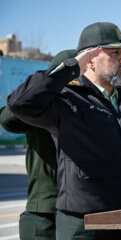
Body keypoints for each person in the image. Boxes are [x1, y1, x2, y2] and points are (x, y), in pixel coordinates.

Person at [7, 22, 121, 240]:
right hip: (87, 227)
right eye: (115, 52)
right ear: (90, 59)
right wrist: (70, 67)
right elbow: (20, 104)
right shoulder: (68, 99)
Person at [0, 49, 77, 240]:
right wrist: (46, 90)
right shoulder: (39, 108)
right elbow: (7, 118)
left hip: (78, 207)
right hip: (45, 209)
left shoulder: (83, 107)